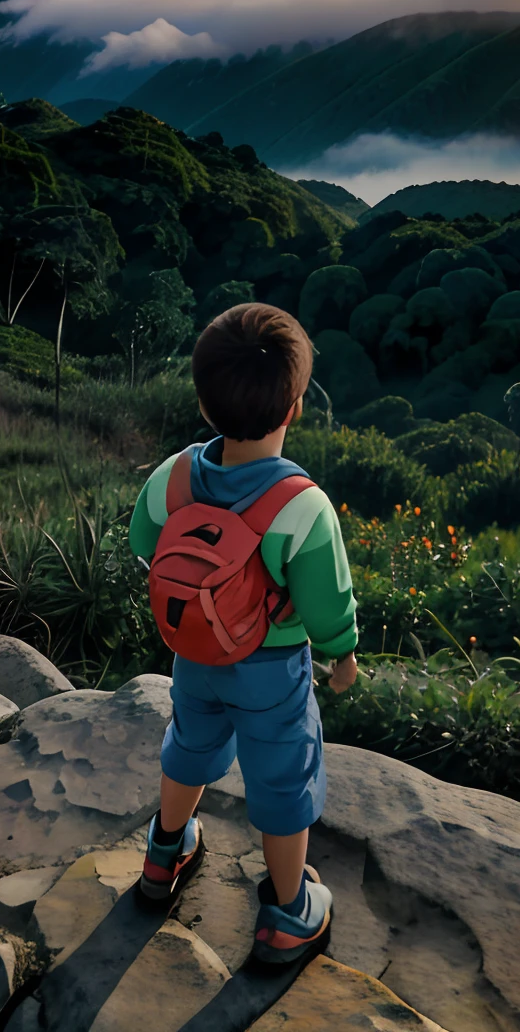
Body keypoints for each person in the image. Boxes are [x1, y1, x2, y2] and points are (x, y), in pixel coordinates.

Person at [129, 301, 358, 967]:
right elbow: (326, 604)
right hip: (272, 669)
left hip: (193, 654)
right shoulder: (303, 506)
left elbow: (146, 542)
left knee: (190, 742)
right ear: (292, 409)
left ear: (204, 404)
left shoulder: (173, 476)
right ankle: (290, 911)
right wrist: (341, 655)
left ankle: (163, 855)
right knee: (283, 776)